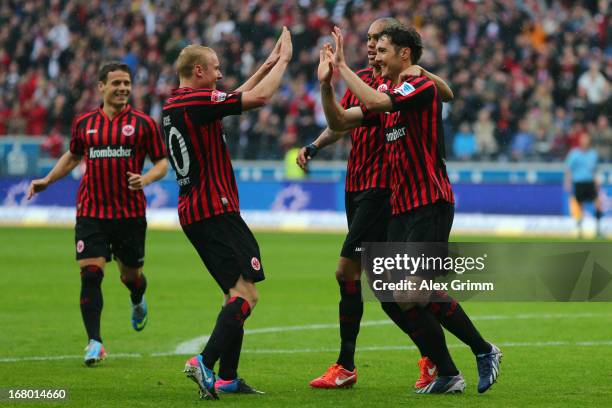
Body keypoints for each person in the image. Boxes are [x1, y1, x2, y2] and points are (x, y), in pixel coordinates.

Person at [318, 25, 501, 394]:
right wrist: (327, 84)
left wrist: (343, 65)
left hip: (430, 202)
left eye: (382, 50)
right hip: (401, 207)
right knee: (395, 294)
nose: (375, 56)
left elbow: (386, 102)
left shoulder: (417, 86)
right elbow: (340, 121)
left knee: (415, 290)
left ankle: (484, 350)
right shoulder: (387, 89)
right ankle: (447, 373)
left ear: (404, 54)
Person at [298, 17, 454, 390]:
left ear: (396, 47)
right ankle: (434, 359)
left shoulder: (399, 82)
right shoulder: (364, 80)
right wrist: (315, 145)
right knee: (387, 291)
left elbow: (445, 93)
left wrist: (417, 68)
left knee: (347, 273)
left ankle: (347, 364)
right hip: (357, 186)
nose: (370, 45)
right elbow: (341, 122)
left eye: (377, 40)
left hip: (382, 189)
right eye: (367, 39)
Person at [162, 28, 292, 399]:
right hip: (214, 210)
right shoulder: (197, 103)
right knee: (247, 295)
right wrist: (283, 62)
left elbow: (232, 98)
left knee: (232, 294)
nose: (220, 74)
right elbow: (260, 98)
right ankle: (204, 362)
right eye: (215, 68)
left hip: (195, 211)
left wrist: (265, 63)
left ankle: (229, 377)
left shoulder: (176, 105)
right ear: (199, 72)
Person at [27, 62, 168, 365]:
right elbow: (73, 155)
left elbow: (161, 162)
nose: (123, 88)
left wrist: (146, 179)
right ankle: (95, 342)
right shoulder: (85, 123)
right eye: (116, 83)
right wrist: (47, 181)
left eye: (127, 83)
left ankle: (137, 298)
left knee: (131, 276)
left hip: (129, 215)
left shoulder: (144, 124)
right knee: (91, 274)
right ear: (101, 87)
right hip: (91, 212)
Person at [564, 132, 603, 238]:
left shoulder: (593, 154)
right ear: (580, 141)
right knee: (580, 206)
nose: (584, 141)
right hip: (579, 182)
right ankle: (580, 230)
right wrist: (567, 181)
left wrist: (597, 182)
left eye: (586, 139)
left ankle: (598, 229)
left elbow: (595, 170)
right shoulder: (574, 154)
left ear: (589, 141)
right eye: (583, 139)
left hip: (590, 182)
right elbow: (568, 168)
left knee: (598, 204)